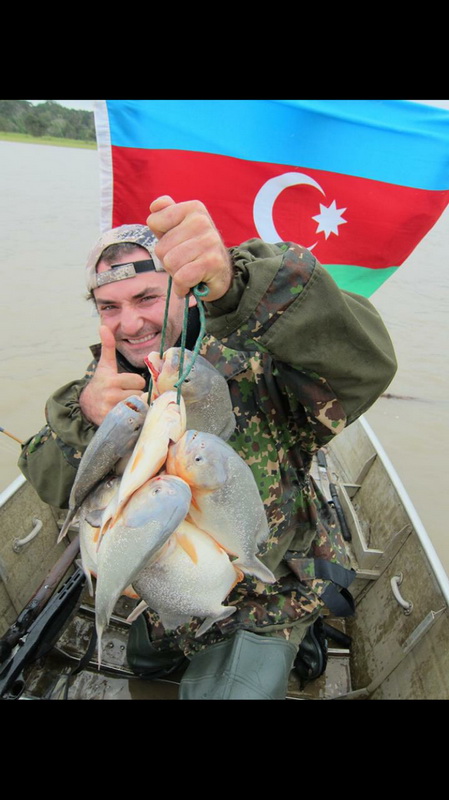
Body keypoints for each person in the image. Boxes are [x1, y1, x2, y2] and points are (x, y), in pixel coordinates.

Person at [18, 195, 397, 699]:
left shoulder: (261, 355)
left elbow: (367, 365)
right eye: (110, 307)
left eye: (147, 298)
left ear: (186, 292)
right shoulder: (107, 384)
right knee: (145, 667)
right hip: (169, 587)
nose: (130, 325)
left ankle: (295, 639)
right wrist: (86, 416)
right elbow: (52, 481)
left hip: (267, 591)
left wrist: (237, 287)